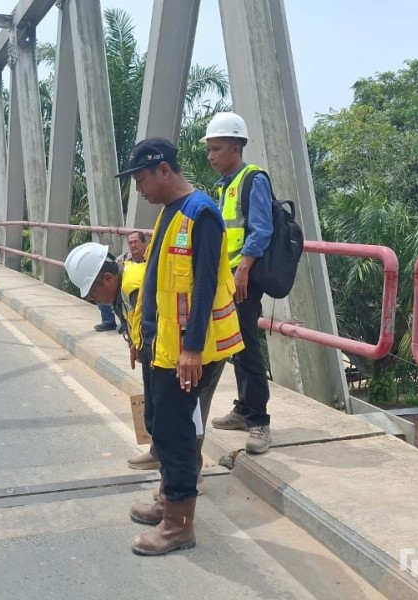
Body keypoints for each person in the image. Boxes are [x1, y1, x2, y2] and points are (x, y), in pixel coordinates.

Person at [116, 137, 244, 556]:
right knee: (160, 425)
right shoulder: (171, 213)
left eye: (141, 179)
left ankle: (178, 526)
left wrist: (191, 349)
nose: (139, 189)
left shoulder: (201, 214)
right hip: (161, 346)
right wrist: (142, 338)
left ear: (164, 170)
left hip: (185, 352)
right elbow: (158, 285)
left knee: (176, 435)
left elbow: (204, 287)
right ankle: (166, 501)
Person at [204, 112, 276, 455]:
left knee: (247, 346)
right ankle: (244, 408)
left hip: (242, 279)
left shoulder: (253, 179)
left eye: (217, 148)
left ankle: (259, 421)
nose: (211, 156)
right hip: (229, 278)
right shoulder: (227, 185)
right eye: (209, 150)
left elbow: (261, 229)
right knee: (235, 346)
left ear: (236, 146)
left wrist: (243, 269)